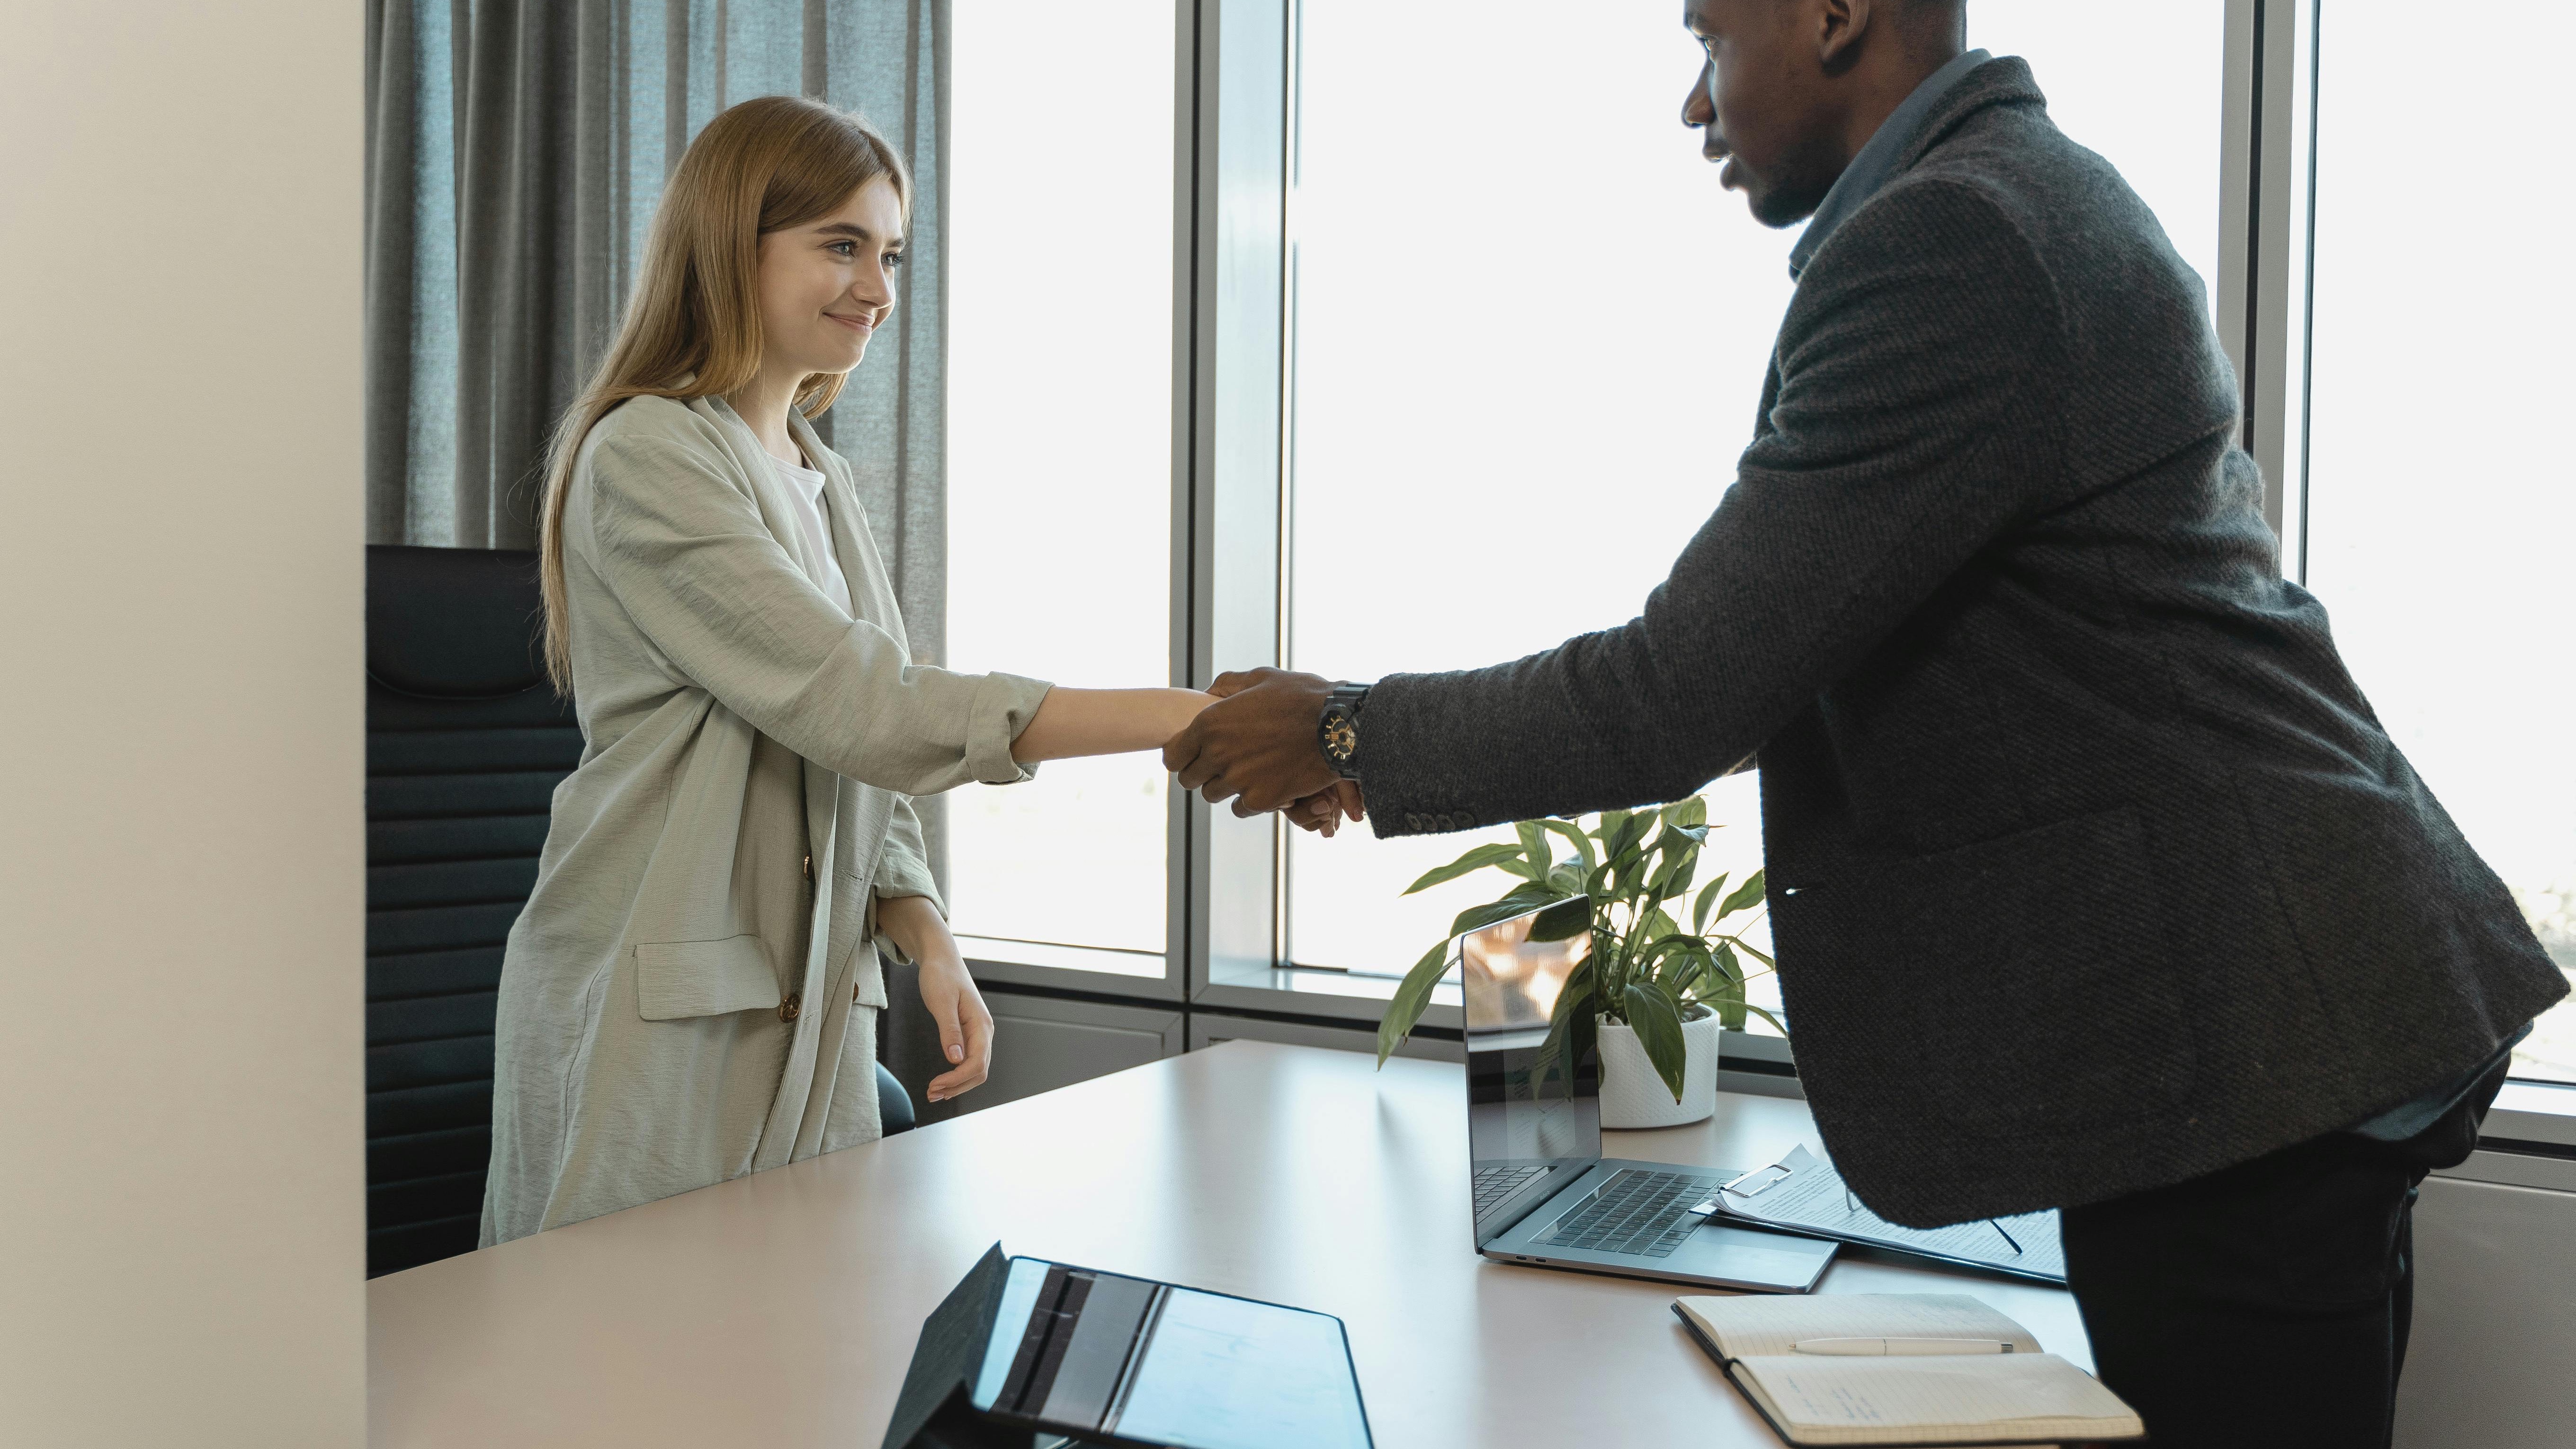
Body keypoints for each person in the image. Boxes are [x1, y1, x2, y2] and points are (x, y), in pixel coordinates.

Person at [1162, 1, 2566, 1442]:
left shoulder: (1953, 240)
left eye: (1710, 42)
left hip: (2256, 1031)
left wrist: (1346, 732)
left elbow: (1685, 687)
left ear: (1833, 15)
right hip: (2283, 1004)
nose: (1695, 106)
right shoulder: (2015, 195)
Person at [483, 96, 1209, 1245]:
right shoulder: (648, 452)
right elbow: (868, 708)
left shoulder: (821, 476)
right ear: (730, 241)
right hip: (654, 1004)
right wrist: (1192, 719)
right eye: (840, 245)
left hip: (815, 1007)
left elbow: (848, 746)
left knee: (792, 1355)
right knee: (618, 1367)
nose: (876, 288)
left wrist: (924, 931)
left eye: (890, 255)